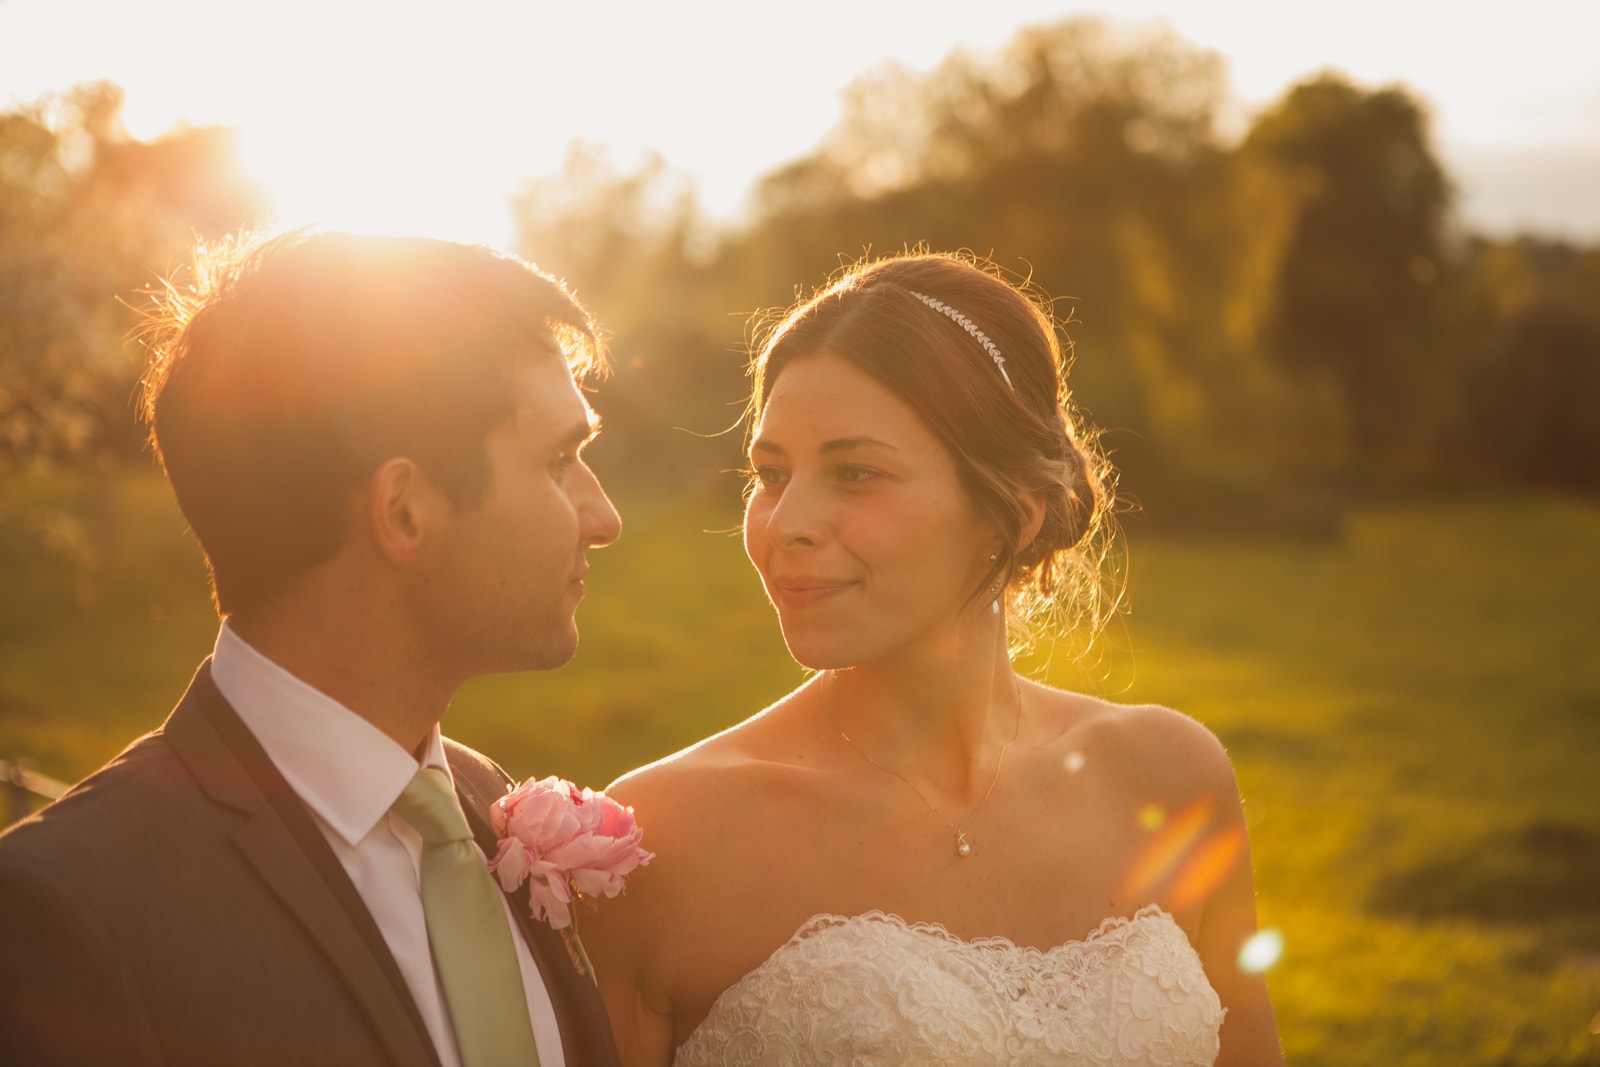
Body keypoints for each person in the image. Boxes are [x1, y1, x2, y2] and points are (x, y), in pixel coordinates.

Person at [583, 252, 1283, 1066]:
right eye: (770, 474)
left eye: (856, 473)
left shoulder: (1171, 774)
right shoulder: (657, 842)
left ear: (1011, 515)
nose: (787, 523)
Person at [0, 231, 624, 1066]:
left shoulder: (488, 805)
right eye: (558, 460)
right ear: (403, 509)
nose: (604, 516)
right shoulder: (70, 913)